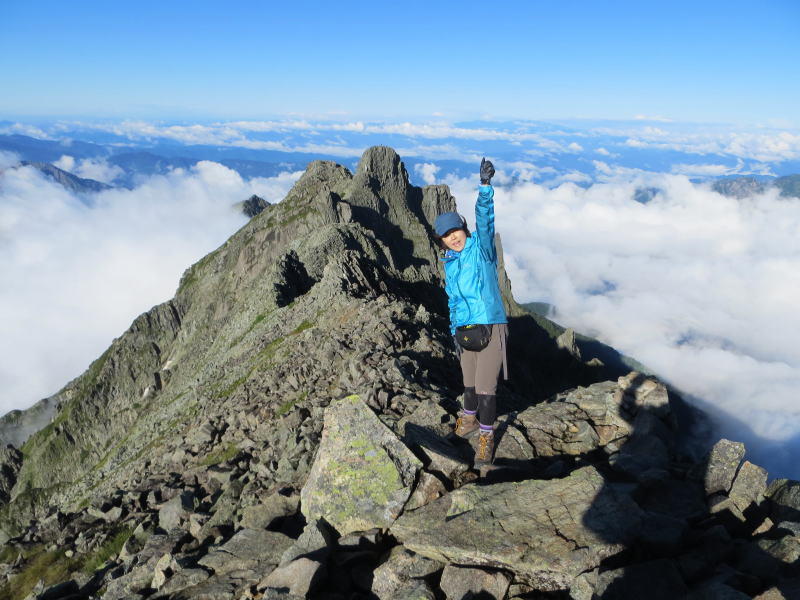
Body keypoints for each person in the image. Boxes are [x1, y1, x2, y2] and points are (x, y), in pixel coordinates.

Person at [434, 158, 508, 467]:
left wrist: (485, 187)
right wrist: (453, 329)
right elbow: (453, 300)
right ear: (442, 240)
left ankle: (487, 437)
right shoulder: (450, 263)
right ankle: (468, 419)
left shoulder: (482, 249)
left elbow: (485, 219)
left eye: (456, 230)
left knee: (485, 387)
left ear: (464, 228)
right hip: (464, 328)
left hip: (490, 323)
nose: (453, 236)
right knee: (468, 382)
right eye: (446, 234)